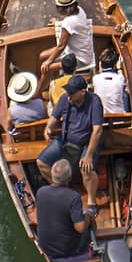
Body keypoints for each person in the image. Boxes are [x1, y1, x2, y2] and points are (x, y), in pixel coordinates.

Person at [39, 74, 106, 208]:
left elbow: (97, 130)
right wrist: (48, 128)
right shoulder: (65, 99)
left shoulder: (94, 102)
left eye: (71, 92)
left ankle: (91, 202)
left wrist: (88, 155)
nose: (68, 95)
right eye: (68, 91)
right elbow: (54, 117)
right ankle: (63, 190)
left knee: (86, 169)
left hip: (87, 142)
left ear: (82, 92)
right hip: (65, 140)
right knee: (41, 162)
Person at [34, 159, 97, 262]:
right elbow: (80, 228)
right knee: (88, 221)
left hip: (45, 248)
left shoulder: (41, 192)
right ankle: (89, 252)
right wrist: (89, 216)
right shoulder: (73, 197)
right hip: (66, 251)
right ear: (69, 178)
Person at [38, 0, 93, 85]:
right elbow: (72, 27)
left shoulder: (69, 23)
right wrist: (58, 22)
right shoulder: (79, 10)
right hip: (78, 50)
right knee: (42, 56)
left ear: (63, 9)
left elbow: (61, 46)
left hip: (81, 59)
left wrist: (48, 62)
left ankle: (38, 93)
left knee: (47, 68)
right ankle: (51, 80)